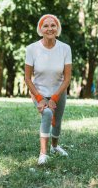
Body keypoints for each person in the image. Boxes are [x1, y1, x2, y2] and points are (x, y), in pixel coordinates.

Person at [24, 14, 72, 165]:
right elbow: (27, 78)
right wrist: (40, 99)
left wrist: (55, 98)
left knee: (56, 121)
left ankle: (55, 147)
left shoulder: (65, 48)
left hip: (59, 91)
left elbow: (67, 78)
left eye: (53, 25)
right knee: (47, 113)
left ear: (57, 29)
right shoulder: (31, 49)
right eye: (46, 25)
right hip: (38, 91)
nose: (49, 28)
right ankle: (43, 153)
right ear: (40, 29)